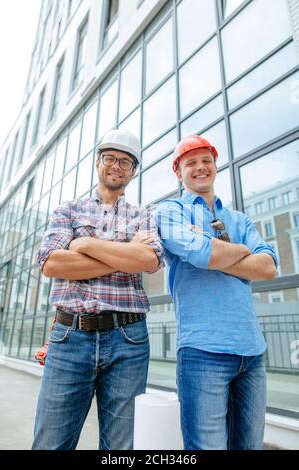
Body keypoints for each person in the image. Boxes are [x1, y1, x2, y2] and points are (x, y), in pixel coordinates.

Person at [32, 128, 164, 450]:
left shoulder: (143, 215)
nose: (116, 166)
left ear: (133, 171)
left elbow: (148, 260)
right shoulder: (69, 210)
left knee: (121, 449)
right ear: (98, 162)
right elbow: (52, 264)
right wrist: (124, 252)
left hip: (128, 339)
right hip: (70, 337)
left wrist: (85, 244)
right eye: (110, 158)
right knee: (51, 443)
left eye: (125, 161)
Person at [156, 135, 277, 450]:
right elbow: (200, 255)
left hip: (251, 352)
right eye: (190, 163)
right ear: (178, 171)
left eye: (206, 161)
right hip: (202, 351)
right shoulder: (170, 212)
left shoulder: (239, 218)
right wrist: (240, 251)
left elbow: (268, 267)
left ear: (215, 165)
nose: (200, 168)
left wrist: (217, 252)